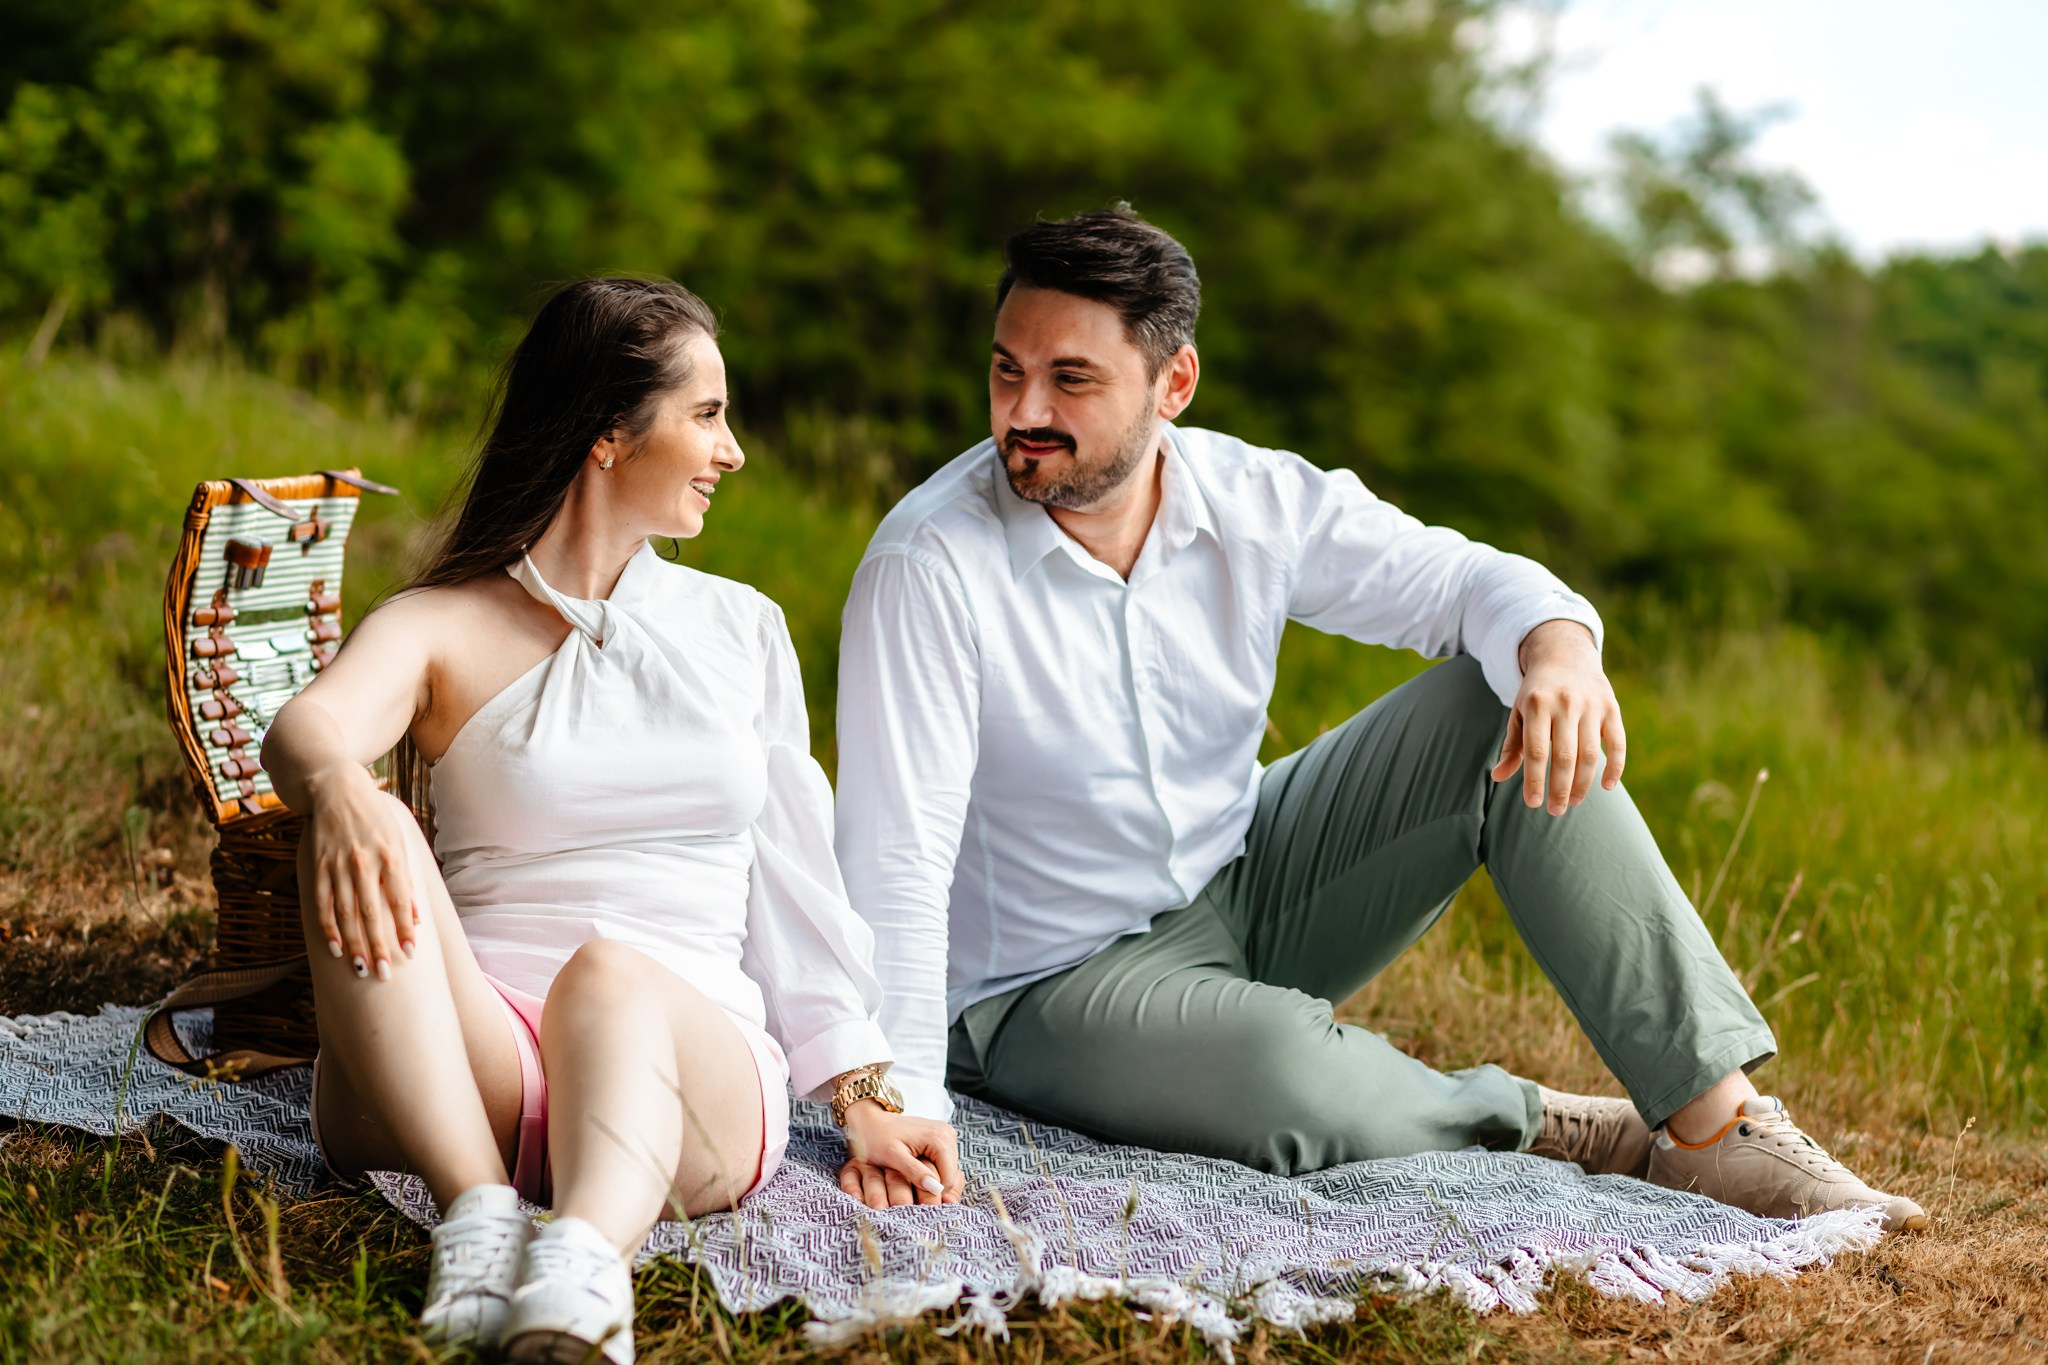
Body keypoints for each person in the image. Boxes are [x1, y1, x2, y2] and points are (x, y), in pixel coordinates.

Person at [834, 206, 1924, 1232]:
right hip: (1045, 985)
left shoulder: (1251, 499)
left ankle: (1713, 1122)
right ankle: (1559, 1126)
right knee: (1276, 1074)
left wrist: (1558, 646)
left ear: (1173, 384)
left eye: (1069, 380)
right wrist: (903, 1096)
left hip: (1246, 879)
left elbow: (1462, 582)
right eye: (1005, 370)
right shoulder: (927, 566)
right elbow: (897, 852)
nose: (1023, 413)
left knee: (1493, 695)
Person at [263, 277, 963, 1365]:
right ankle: (478, 1220)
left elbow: (791, 881)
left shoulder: (741, 628)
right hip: (466, 1066)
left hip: (690, 1073)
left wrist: (865, 1092)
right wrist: (348, 791)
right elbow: (308, 728)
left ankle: (583, 1278)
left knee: (611, 974)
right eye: (707, 415)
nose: (730, 453)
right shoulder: (439, 623)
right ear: (606, 434)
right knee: (365, 823)